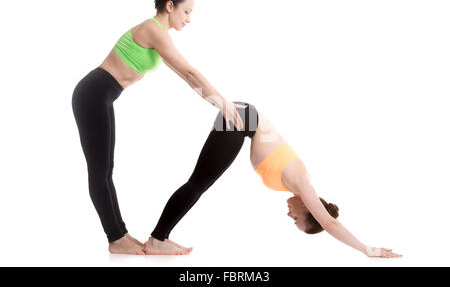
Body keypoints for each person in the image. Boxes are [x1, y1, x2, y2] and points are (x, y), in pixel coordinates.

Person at [71, 0, 246, 255]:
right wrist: (222, 103)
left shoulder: (159, 34)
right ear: (169, 6)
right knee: (100, 170)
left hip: (100, 95)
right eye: (187, 11)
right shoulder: (152, 29)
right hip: (92, 94)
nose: (188, 18)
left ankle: (120, 235)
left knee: (105, 169)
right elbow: (190, 73)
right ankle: (116, 238)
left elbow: (186, 76)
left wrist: (217, 101)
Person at [144, 102, 402, 258]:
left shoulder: (296, 184)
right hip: (242, 119)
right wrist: (366, 249)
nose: (290, 217)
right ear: (311, 210)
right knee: (198, 184)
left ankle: (160, 237)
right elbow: (330, 224)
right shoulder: (303, 184)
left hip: (244, 120)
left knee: (199, 183)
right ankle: (157, 240)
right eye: (297, 220)